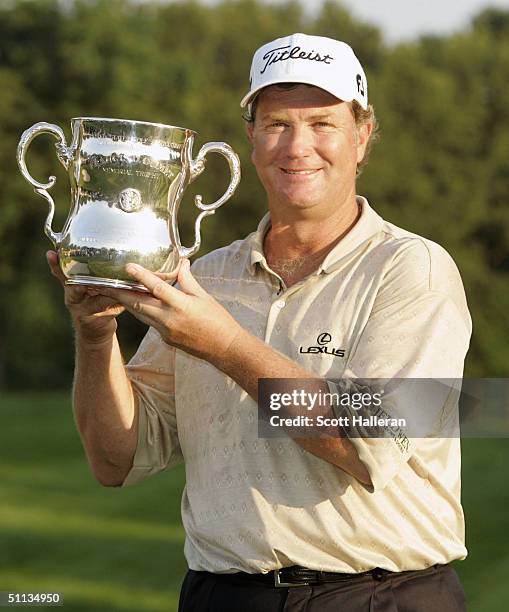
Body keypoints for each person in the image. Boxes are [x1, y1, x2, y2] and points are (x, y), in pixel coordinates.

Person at [47, 33, 470, 612]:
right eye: (276, 124)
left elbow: (366, 443)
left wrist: (222, 344)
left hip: (378, 596)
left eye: (322, 123)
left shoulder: (412, 270)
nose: (298, 147)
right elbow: (115, 459)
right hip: (221, 594)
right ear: (251, 137)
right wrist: (96, 336)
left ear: (362, 135)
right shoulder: (206, 278)